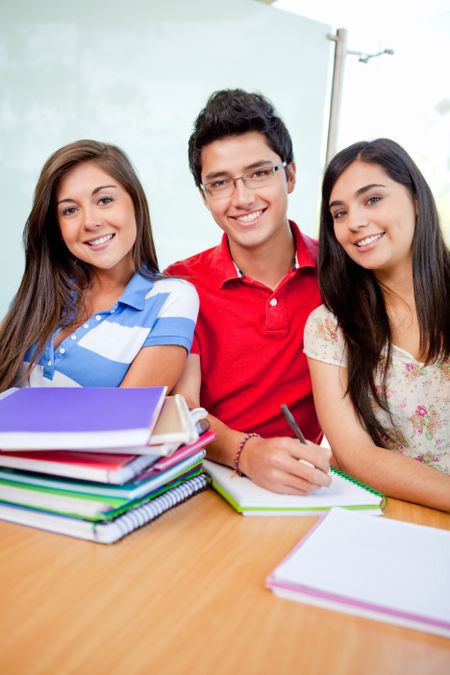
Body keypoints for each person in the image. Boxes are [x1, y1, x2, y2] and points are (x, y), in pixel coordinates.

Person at [166, 89, 331, 494]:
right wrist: (247, 452)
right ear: (205, 197)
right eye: (220, 183)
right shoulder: (180, 286)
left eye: (259, 173)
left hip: (305, 485)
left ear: (290, 176)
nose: (242, 198)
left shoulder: (341, 274)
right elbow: (182, 408)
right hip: (204, 480)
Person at [304, 138, 450, 512]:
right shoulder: (329, 327)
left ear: (416, 199)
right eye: (339, 213)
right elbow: (356, 457)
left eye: (372, 200)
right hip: (400, 520)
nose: (355, 222)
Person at [0, 140, 199, 390]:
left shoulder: (171, 298)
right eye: (70, 210)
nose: (90, 222)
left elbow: (126, 417)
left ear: (135, 204)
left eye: (104, 200)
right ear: (56, 228)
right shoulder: (37, 295)